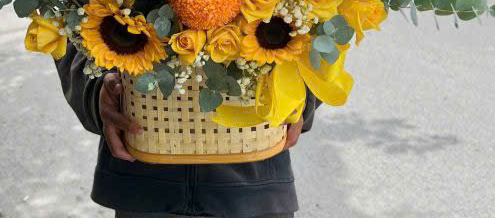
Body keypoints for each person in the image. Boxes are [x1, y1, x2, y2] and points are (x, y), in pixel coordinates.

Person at [55, 42, 320, 218]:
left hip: (255, 181)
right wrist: (96, 89)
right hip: (144, 181)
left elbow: (325, 14)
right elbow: (69, 20)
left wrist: (301, 97)